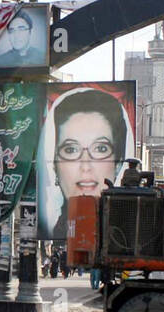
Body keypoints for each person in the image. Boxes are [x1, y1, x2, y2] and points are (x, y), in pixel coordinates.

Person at [38, 86, 133, 240]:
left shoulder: (130, 238)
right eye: (71, 150)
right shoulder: (51, 232)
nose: (85, 166)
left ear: (118, 163)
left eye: (101, 149)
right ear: (54, 165)